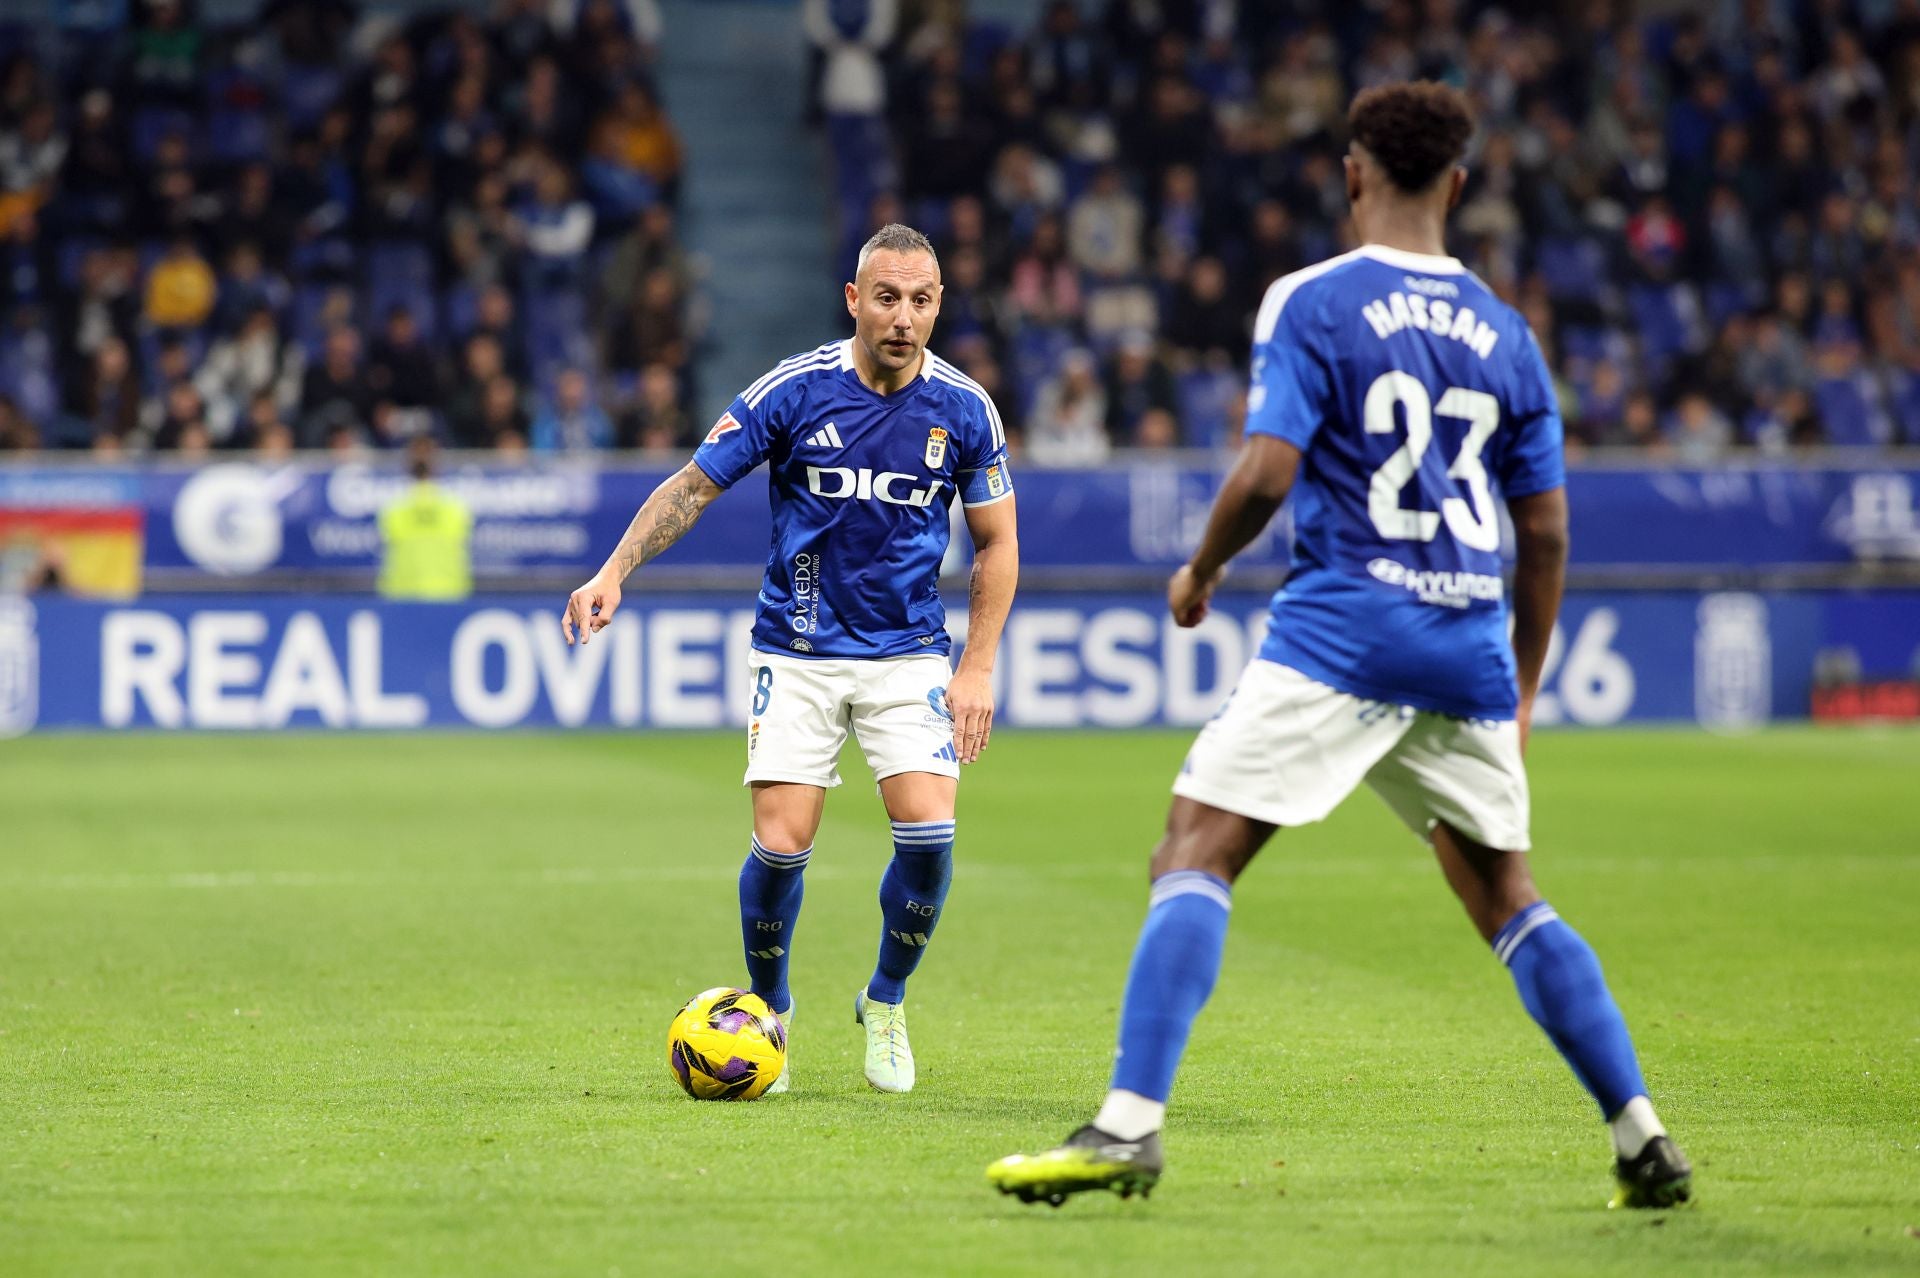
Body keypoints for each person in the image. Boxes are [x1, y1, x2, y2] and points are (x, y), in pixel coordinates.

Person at [988, 83, 1691, 1210]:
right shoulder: (1510, 336)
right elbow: (1547, 530)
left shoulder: (1312, 301)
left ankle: (1127, 1128)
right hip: (1464, 643)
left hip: (1347, 630)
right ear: (1457, 186)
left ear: (1353, 174)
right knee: (1506, 892)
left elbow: (1268, 470)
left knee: (1193, 849)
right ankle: (1642, 1137)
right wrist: (1519, 687)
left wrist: (1202, 569)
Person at [563, 224, 1019, 1095]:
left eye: (921, 301)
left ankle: (884, 1000)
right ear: (854, 300)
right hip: (797, 647)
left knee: (930, 837)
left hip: (908, 653)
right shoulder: (796, 391)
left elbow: (998, 544)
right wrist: (613, 571)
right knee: (782, 847)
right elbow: (694, 486)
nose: (903, 317)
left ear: (937, 307)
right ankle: (768, 1007)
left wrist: (979, 667)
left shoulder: (965, 408)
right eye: (886, 298)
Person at [378, 438, 474, 600]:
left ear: (407, 465)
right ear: (437, 465)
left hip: (402, 597)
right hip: (449, 595)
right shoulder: (456, 510)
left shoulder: (393, 510)